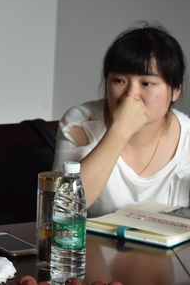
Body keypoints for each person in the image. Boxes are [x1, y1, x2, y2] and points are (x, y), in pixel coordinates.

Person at [52, 22, 190, 217]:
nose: (130, 94)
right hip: (92, 238)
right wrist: (120, 130)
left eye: (147, 83)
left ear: (175, 90)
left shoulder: (186, 136)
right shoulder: (81, 122)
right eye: (119, 81)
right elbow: (64, 209)